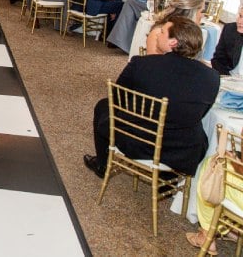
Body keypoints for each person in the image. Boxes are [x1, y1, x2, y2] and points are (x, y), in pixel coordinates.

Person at [83, 16, 220, 181]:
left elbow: (117, 100)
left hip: (139, 142)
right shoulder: (212, 77)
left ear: (173, 43)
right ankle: (167, 177)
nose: (157, 35)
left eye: (162, 32)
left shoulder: (141, 64)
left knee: (104, 106)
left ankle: (102, 165)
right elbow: (201, 113)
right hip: (183, 150)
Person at [212, 5, 243, 75]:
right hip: (229, 77)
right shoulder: (230, 29)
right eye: (240, 16)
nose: (239, 21)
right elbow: (218, 60)